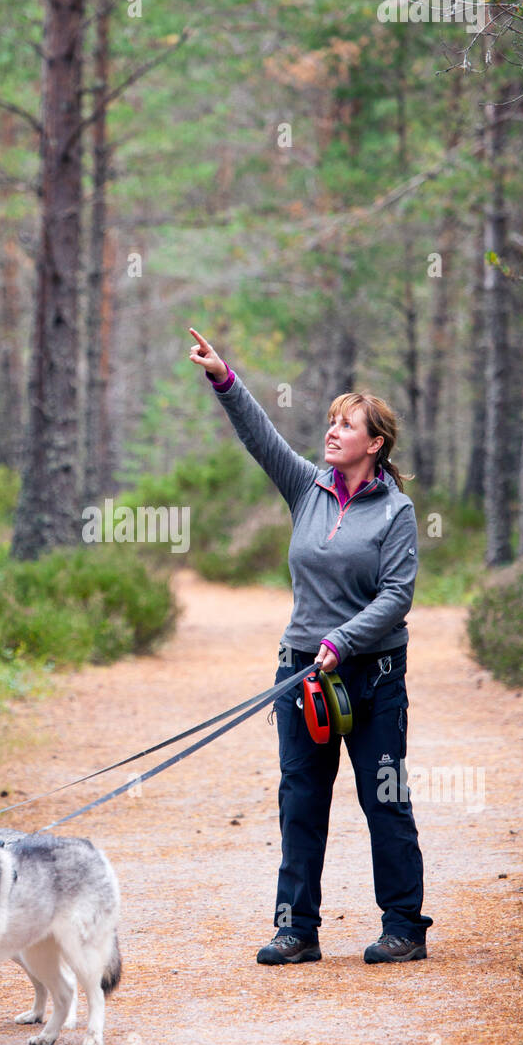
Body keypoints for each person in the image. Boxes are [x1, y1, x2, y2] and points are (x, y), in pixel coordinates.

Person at [189, 329, 432, 965]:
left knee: (385, 798)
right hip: (302, 676)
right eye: (331, 423)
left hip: (373, 676)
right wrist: (224, 378)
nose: (332, 433)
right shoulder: (307, 487)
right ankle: (297, 929)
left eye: (347, 426)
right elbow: (258, 435)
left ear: (374, 444)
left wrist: (343, 639)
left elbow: (396, 597)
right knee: (301, 800)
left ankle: (404, 926)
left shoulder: (395, 513)